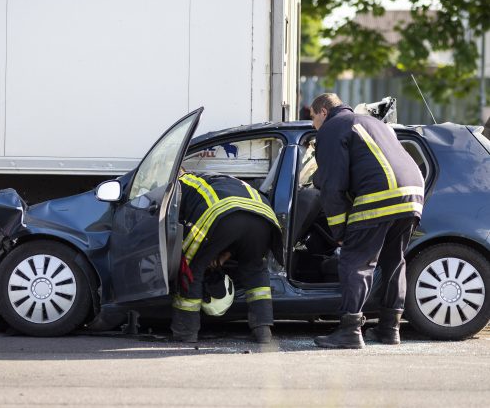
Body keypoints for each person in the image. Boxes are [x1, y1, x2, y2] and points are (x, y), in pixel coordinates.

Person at [309, 93, 424, 349]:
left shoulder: (331, 129)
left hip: (380, 196)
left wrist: (339, 229)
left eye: (313, 118)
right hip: (412, 197)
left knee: (355, 260)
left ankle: (350, 331)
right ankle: (389, 330)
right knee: (394, 261)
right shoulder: (373, 123)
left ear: (323, 112)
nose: (313, 125)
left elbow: (332, 184)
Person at [171, 171, 282, 344]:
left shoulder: (181, 182)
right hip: (263, 217)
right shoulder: (224, 178)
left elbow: (176, 222)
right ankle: (263, 330)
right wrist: (223, 253)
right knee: (255, 269)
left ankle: (186, 331)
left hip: (222, 213)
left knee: (191, 266)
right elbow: (239, 228)